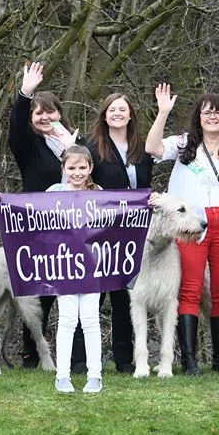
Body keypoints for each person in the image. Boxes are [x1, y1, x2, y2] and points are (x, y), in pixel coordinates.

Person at [147, 84, 219, 374]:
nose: (212, 116)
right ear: (198, 116)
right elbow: (152, 148)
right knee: (191, 290)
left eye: (218, 112)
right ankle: (189, 359)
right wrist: (163, 112)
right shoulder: (184, 144)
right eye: (207, 112)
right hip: (190, 225)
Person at [8, 61, 79, 368]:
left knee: (76, 291)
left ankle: (75, 357)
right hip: (39, 229)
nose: (45, 117)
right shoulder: (29, 146)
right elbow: (15, 127)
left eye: (50, 111)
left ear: (59, 113)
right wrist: (26, 93)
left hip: (75, 228)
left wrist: (72, 147)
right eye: (39, 113)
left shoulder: (76, 144)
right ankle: (30, 352)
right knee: (40, 295)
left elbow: (93, 175)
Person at [89, 92, 154, 375]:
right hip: (99, 232)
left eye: (122, 109)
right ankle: (83, 359)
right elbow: (80, 183)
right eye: (112, 109)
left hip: (134, 233)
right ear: (104, 115)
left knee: (125, 296)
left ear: (131, 115)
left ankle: (124, 359)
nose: (117, 113)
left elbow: (146, 185)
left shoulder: (142, 149)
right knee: (93, 295)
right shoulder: (92, 148)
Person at [46, 144, 106, 395]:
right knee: (67, 320)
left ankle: (95, 375)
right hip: (64, 265)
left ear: (90, 168)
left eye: (82, 167)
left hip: (92, 267)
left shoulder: (99, 193)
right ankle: (62, 376)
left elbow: (114, 221)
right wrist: (0, 202)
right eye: (72, 167)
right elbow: (32, 218)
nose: (77, 172)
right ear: (63, 168)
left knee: (91, 320)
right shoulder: (53, 192)